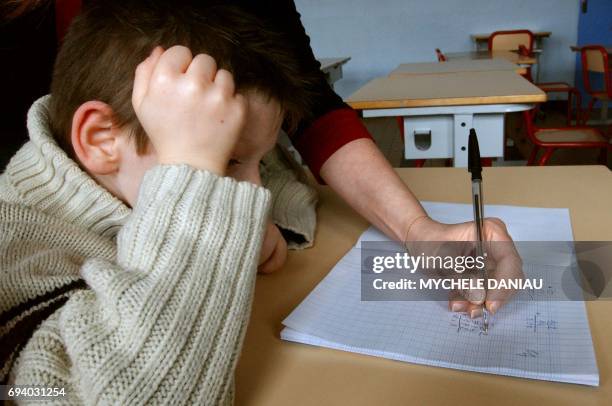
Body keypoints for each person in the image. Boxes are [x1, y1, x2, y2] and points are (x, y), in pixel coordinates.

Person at [0, 2, 320, 403]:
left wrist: (243, 218)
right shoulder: (14, 252)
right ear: (101, 139)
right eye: (229, 160)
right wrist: (203, 207)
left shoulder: (122, 176)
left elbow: (283, 180)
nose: (256, 190)